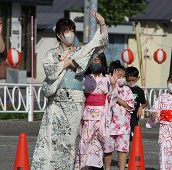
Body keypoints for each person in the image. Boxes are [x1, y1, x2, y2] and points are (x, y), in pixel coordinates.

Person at [31, 11, 108, 170]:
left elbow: (98, 45)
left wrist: (102, 24)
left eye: (72, 31)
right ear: (59, 35)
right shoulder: (51, 54)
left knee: (69, 141)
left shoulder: (80, 52)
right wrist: (66, 63)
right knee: (50, 140)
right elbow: (50, 71)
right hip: (55, 103)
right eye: (67, 31)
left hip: (74, 101)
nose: (70, 34)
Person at [74, 53, 119, 170]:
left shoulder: (107, 78)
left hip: (101, 116)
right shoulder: (84, 77)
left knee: (97, 145)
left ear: (102, 62)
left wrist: (113, 86)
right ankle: (84, 166)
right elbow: (80, 97)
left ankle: (96, 167)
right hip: (87, 115)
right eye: (93, 60)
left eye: (97, 60)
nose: (95, 62)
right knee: (84, 144)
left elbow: (113, 99)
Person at [103, 60, 134, 170]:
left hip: (123, 126)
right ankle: (107, 168)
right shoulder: (106, 87)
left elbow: (130, 106)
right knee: (107, 150)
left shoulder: (127, 90)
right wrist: (113, 91)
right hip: (108, 125)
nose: (121, 78)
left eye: (123, 76)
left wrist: (117, 99)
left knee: (122, 150)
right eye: (119, 75)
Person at [125, 66, 147, 167]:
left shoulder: (139, 91)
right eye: (129, 80)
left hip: (134, 117)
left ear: (137, 79)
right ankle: (124, 158)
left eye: (133, 80)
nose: (131, 82)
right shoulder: (123, 89)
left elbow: (144, 103)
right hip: (123, 117)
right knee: (124, 138)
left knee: (132, 138)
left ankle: (130, 158)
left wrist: (140, 107)